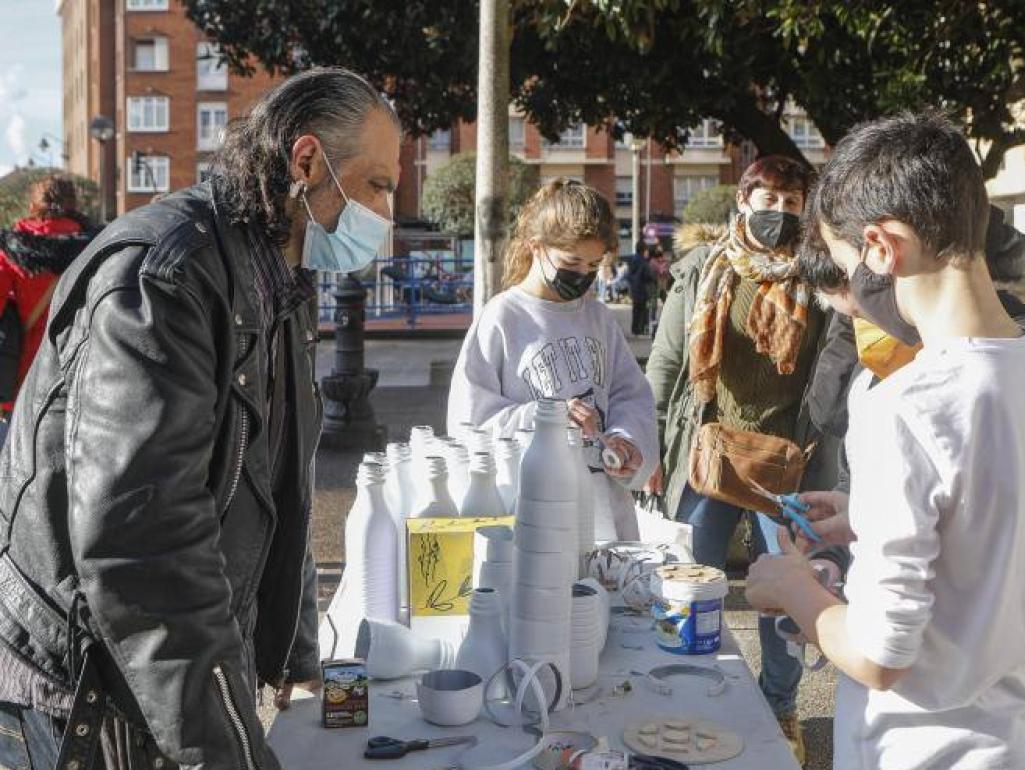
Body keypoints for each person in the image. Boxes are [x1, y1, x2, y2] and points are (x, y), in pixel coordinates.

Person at [0, 67, 401, 769]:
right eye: (378, 185)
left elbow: (282, 492)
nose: (388, 213)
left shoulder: (283, 280)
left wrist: (294, 651)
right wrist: (231, 751)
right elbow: (142, 547)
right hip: (83, 691)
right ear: (305, 162)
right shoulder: (165, 279)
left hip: (161, 669)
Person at [746, 113, 1025, 770]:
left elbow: (881, 654)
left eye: (850, 265)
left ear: (882, 248)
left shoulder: (908, 403)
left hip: (930, 751)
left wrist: (794, 587)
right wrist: (873, 518)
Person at [794, 205, 1025, 766]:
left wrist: (986, 624)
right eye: (845, 321)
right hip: (1024, 720)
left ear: (884, 256)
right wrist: (867, 519)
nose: (865, 332)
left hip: (1014, 693)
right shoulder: (902, 377)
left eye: (859, 307)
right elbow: (974, 511)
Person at [645, 155, 822, 764]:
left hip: (787, 464)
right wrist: (650, 448)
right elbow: (667, 364)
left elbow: (833, 373)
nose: (777, 211)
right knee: (691, 584)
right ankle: (690, 695)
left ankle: (780, 705)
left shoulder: (820, 278)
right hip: (710, 453)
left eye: (791, 201)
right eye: (766, 197)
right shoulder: (703, 269)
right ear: (743, 200)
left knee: (786, 595)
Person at [446, 179, 658, 540]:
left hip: (603, 513)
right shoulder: (502, 318)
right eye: (571, 261)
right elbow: (469, 424)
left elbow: (630, 396)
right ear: (536, 247)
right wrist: (545, 415)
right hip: (532, 513)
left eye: (593, 265)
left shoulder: (598, 317)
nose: (581, 276)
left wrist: (627, 440)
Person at [0, 176, 96, 416]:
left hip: (27, 379)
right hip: (84, 375)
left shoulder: (12, 251)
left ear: (33, 205)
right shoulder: (97, 247)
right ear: (74, 205)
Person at [627, 240, 656, 335]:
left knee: (636, 309)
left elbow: (628, 275)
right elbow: (647, 276)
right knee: (643, 310)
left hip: (634, 288)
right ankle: (641, 329)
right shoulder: (643, 261)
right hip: (642, 288)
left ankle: (635, 329)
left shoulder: (632, 260)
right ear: (643, 250)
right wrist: (653, 279)